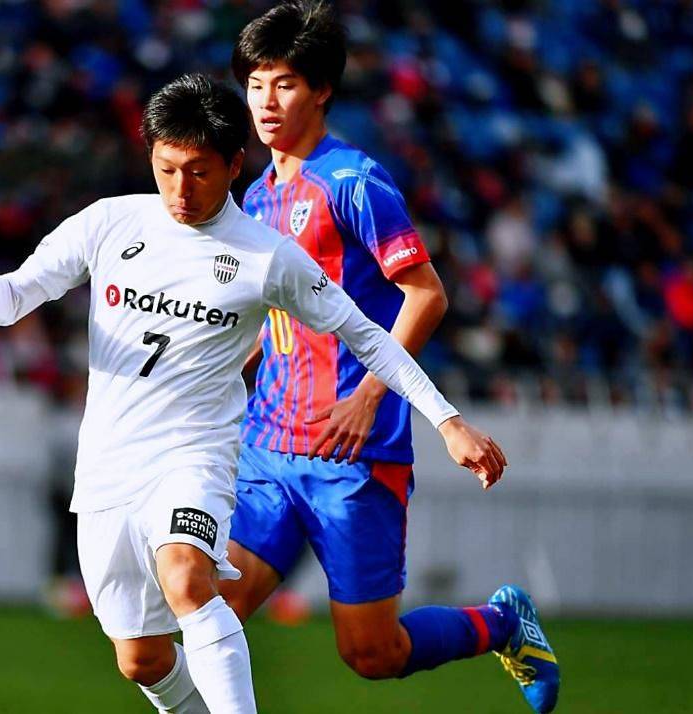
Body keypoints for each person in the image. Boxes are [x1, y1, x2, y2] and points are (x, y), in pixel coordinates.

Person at [0, 73, 505, 714]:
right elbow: (10, 299)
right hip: (110, 467)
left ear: (232, 164)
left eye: (199, 172)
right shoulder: (109, 222)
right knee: (140, 659)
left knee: (188, 578)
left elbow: (368, 337)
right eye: (167, 169)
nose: (181, 189)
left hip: (194, 458)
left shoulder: (267, 256)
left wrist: (447, 421)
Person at [219, 3, 560, 713]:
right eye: (255, 84)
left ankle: (503, 623)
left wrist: (370, 394)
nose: (266, 102)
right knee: (213, 613)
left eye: (284, 84)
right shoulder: (254, 196)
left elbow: (426, 294)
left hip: (354, 452)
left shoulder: (354, 181)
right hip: (267, 447)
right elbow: (272, 319)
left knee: (372, 654)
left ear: (321, 90)